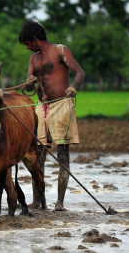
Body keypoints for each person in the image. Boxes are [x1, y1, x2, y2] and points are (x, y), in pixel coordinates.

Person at [19, 20, 85, 211]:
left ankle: (59, 203)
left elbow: (80, 73)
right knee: (37, 155)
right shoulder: (33, 60)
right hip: (42, 107)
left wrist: (73, 88)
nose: (27, 48)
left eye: (27, 43)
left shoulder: (60, 50)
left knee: (62, 153)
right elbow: (28, 85)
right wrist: (29, 83)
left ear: (34, 38)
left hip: (62, 104)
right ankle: (38, 201)